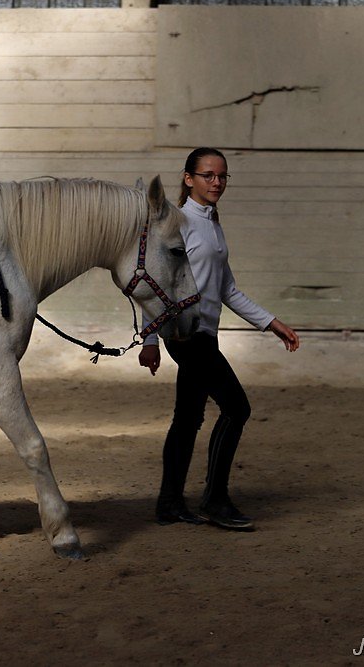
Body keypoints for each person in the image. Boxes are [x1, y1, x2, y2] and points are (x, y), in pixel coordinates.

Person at [138, 147, 299, 531]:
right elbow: (155, 282)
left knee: (188, 418)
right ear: (188, 178)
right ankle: (215, 500)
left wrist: (271, 322)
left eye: (222, 176)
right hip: (186, 334)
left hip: (205, 335)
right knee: (237, 409)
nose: (217, 182)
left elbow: (227, 289)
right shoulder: (177, 223)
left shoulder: (212, 224)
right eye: (208, 175)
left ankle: (170, 504)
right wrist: (150, 340)